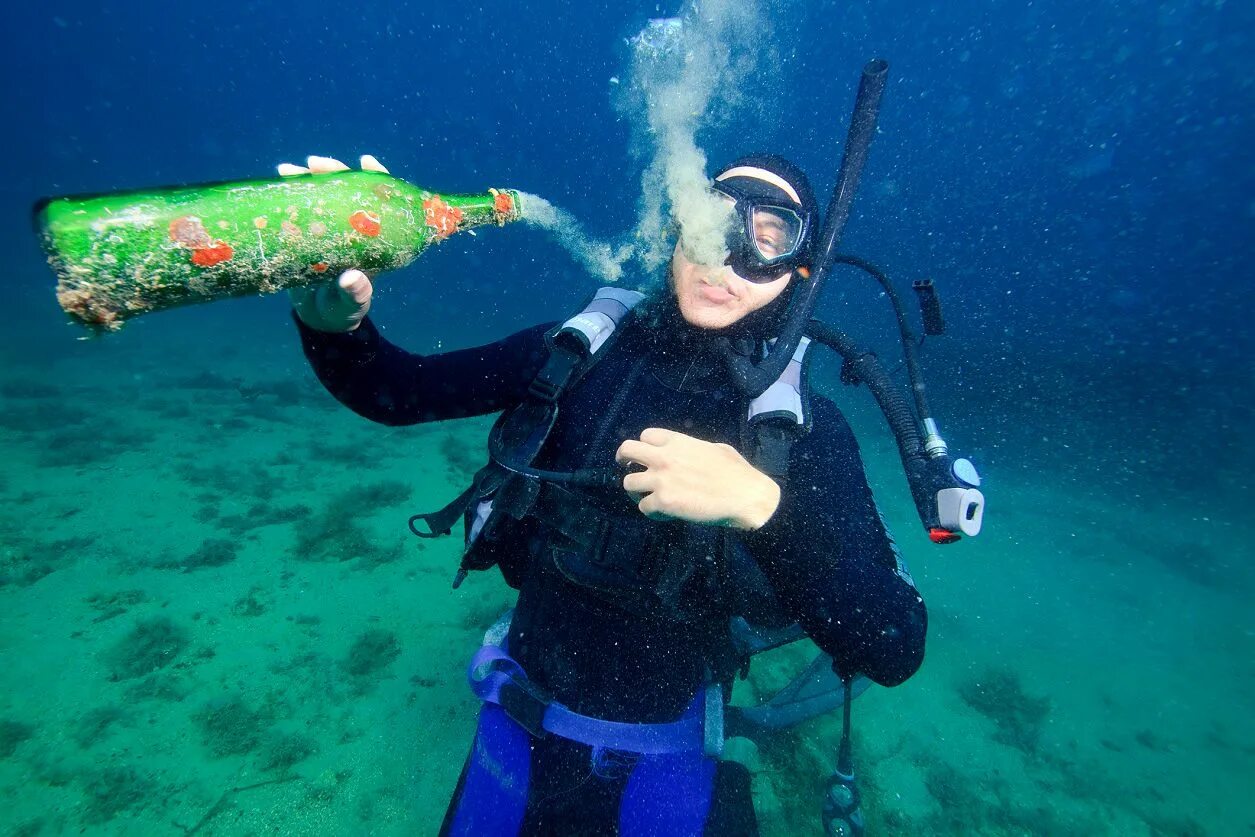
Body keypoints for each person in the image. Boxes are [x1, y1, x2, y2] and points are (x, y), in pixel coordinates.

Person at [289, 152, 927, 835]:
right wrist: (337, 330)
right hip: (520, 709)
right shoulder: (580, 354)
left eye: (769, 235)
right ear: (678, 227)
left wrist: (763, 510)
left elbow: (893, 644)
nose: (728, 254)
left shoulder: (801, 429)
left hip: (669, 742)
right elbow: (400, 392)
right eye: (712, 219)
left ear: (800, 272)